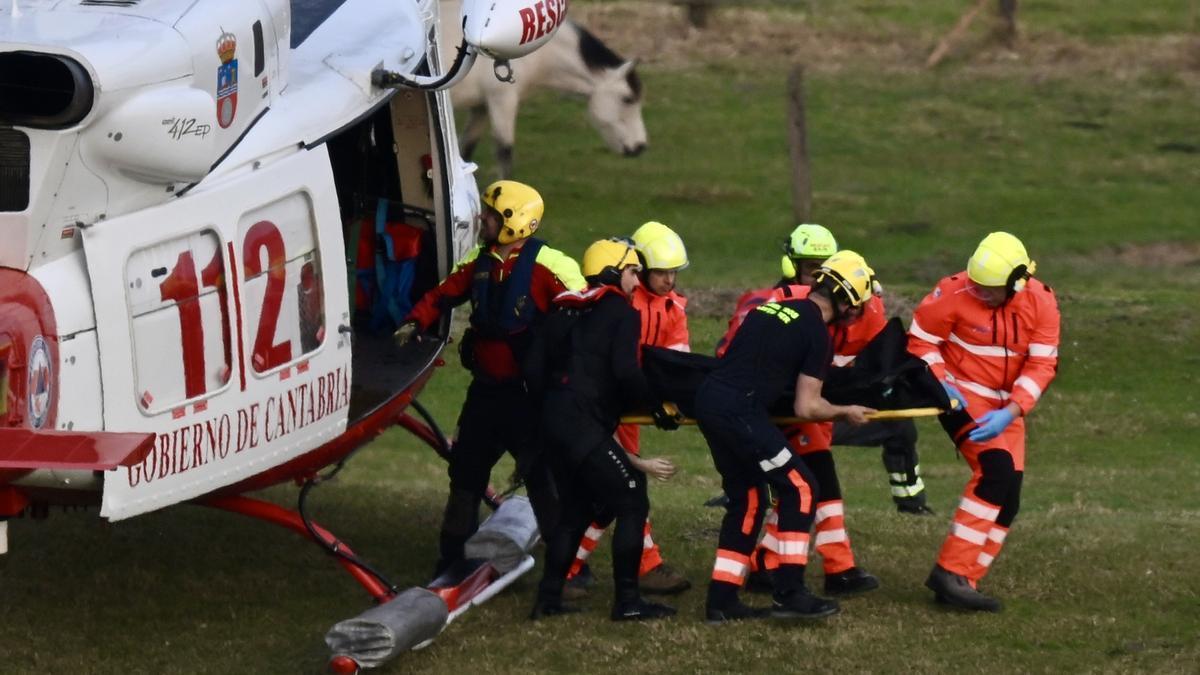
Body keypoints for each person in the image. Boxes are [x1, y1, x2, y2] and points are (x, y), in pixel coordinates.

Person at [395, 180, 585, 576]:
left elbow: (586, 312)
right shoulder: (479, 261)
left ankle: (568, 569)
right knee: (465, 475)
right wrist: (415, 321)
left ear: (516, 221)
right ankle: (452, 561)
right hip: (485, 393)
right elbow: (442, 295)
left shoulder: (551, 265)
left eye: (492, 215)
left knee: (541, 478)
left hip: (529, 398)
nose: (482, 219)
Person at [696, 251, 878, 623]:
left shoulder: (768, 309)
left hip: (710, 404)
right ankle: (790, 593)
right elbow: (807, 407)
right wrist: (846, 411)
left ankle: (722, 601)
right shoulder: (816, 332)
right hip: (742, 413)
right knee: (803, 488)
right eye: (855, 307)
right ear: (846, 303)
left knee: (748, 499)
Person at [717, 223, 932, 515]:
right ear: (791, 267)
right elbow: (730, 360)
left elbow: (881, 361)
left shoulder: (863, 311)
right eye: (811, 268)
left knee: (900, 424)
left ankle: (911, 501)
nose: (822, 277)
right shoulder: (772, 303)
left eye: (825, 267)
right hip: (787, 408)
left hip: (828, 407)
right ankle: (753, 492)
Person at [528, 238, 682, 621]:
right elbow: (626, 371)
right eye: (632, 272)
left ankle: (548, 598)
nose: (636, 280)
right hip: (582, 422)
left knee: (576, 509)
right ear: (614, 272)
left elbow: (532, 368)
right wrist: (655, 406)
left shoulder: (564, 307)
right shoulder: (621, 312)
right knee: (632, 497)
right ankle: (628, 601)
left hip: (550, 420)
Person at [908, 232, 1060, 612]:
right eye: (975, 285)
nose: (978, 293)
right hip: (961, 396)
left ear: (1017, 283)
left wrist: (1013, 410)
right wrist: (941, 384)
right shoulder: (952, 292)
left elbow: (1042, 365)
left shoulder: (1042, 302)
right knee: (995, 471)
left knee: (1008, 499)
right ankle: (950, 572)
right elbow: (920, 342)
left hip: (1007, 407)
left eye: (988, 290)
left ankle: (964, 581)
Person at [564, 221, 691, 597]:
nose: (669, 280)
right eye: (661, 272)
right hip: (602, 405)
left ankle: (569, 567)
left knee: (611, 493)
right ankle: (641, 567)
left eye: (674, 272)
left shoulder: (673, 308)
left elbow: (677, 361)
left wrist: (665, 400)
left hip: (628, 406)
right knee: (625, 487)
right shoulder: (620, 304)